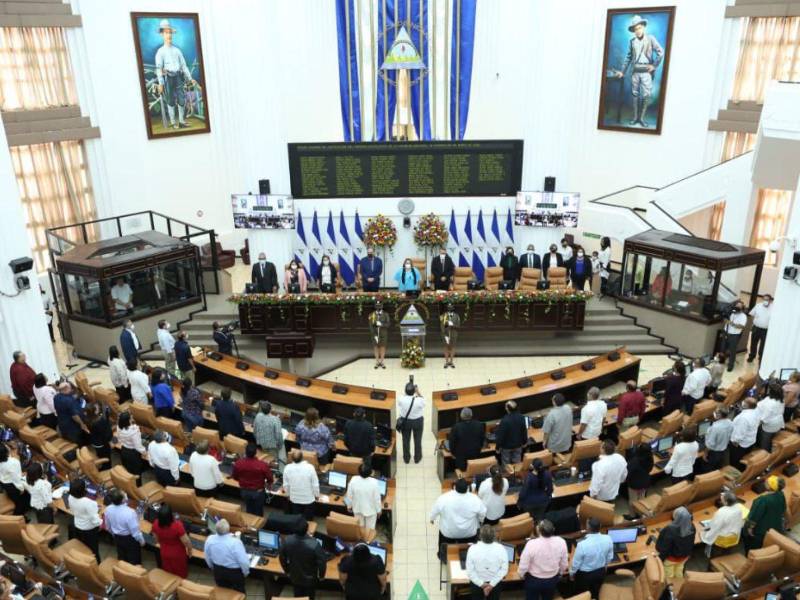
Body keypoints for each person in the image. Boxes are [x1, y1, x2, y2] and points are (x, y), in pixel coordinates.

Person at [612, 15, 664, 127]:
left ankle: (642, 119)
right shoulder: (632, 42)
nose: (638, 31)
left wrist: (654, 66)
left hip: (646, 71)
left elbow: (661, 52)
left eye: (639, 28)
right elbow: (628, 58)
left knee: (646, 94)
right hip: (635, 71)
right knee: (635, 94)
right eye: (635, 29)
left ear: (644, 27)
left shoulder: (650, 39)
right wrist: (622, 71)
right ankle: (635, 118)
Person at [429, 478, 486, 560]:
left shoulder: (444, 498)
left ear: (454, 487)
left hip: (448, 533)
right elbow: (483, 513)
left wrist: (432, 519)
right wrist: (480, 521)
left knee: (444, 540)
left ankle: (443, 556)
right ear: (467, 488)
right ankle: (466, 556)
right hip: (469, 533)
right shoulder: (475, 499)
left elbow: (435, 510)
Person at [155, 19, 196, 129]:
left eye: (170, 32)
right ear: (162, 34)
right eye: (166, 33)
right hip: (168, 78)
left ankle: (182, 121)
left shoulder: (177, 51)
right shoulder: (160, 52)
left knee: (181, 99)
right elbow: (159, 69)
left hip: (178, 77)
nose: (169, 35)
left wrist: (190, 78)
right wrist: (161, 83)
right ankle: (173, 122)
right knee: (170, 100)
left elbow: (184, 66)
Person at [518, 519, 568, 600]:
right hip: (552, 579)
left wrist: (521, 574)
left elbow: (523, 565)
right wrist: (561, 573)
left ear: (539, 531)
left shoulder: (531, 544)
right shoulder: (561, 542)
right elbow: (564, 563)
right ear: (553, 529)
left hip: (533, 580)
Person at [279, 520, 327, 599]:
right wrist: (321, 575)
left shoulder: (287, 540)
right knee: (309, 597)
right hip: (310, 579)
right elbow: (322, 562)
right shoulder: (314, 544)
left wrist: (287, 571)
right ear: (307, 529)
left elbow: (282, 557)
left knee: (297, 595)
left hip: (294, 576)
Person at [569, 517, 614, 598]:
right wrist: (605, 567)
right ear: (600, 527)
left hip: (585, 575)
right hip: (601, 572)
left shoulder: (582, 545)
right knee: (596, 592)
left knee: (583, 594)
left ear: (588, 528)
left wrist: (571, 574)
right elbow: (610, 557)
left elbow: (576, 564)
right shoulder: (608, 538)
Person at [204, 518, 249, 593]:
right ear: (228, 529)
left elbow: (207, 557)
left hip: (218, 571)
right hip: (234, 573)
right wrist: (245, 572)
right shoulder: (235, 542)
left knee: (223, 592)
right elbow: (244, 562)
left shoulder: (209, 539)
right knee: (239, 593)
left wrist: (213, 568)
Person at [465, 525, 509, 600]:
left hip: (476, 583)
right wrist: (491, 585)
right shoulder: (501, 548)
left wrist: (481, 584)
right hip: (495, 584)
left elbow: (470, 571)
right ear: (494, 536)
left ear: (480, 536)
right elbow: (504, 569)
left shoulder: (472, 549)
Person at [744, 475, 787, 551]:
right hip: (776, 527)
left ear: (770, 487)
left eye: (767, 482)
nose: (765, 482)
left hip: (761, 531)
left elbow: (754, 517)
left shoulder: (762, 500)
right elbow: (784, 509)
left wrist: (749, 528)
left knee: (752, 545)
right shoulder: (781, 494)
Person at [103, 488, 144, 565]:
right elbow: (135, 532)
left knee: (122, 557)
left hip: (117, 537)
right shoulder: (130, 512)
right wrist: (141, 541)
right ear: (123, 500)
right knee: (134, 560)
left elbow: (108, 526)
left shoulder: (108, 509)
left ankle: (123, 571)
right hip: (130, 539)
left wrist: (114, 534)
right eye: (124, 495)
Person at [152, 503, 192, 578]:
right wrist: (190, 550)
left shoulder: (155, 523)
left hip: (164, 551)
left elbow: (156, 539)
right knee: (180, 573)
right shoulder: (177, 525)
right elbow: (186, 541)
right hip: (178, 554)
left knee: (168, 573)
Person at [233, 442, 273, 516]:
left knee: (249, 508)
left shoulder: (238, 463)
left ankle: (250, 521)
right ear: (255, 453)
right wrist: (268, 483)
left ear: (245, 452)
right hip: (258, 492)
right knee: (259, 511)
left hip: (244, 491)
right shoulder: (262, 465)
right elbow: (270, 478)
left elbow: (235, 477)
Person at [655, 507, 695, 578]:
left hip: (671, 559)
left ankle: (671, 588)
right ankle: (679, 585)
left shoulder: (670, 529)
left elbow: (663, 548)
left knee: (669, 575)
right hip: (684, 557)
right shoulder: (692, 526)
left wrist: (660, 559)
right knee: (679, 571)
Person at [701, 491, 744, 556]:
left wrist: (705, 534)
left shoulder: (722, 512)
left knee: (716, 555)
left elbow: (715, 527)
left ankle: (714, 562)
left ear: (726, 502)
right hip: (734, 537)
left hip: (723, 539)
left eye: (722, 499)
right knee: (727, 551)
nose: (721, 500)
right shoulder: (738, 508)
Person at [67, 478, 101, 561]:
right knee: (93, 550)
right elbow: (96, 521)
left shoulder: (70, 497)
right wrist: (101, 520)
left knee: (82, 546)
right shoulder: (89, 502)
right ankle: (96, 564)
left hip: (77, 525)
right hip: (89, 530)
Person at [282, 449, 319, 519]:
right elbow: (315, 484)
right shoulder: (310, 467)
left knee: (296, 519)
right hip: (309, 500)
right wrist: (317, 495)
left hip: (294, 499)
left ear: (292, 458)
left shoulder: (287, 468)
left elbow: (286, 485)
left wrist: (288, 495)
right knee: (308, 520)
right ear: (302, 458)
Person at [344, 463, 382, 530]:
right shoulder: (375, 482)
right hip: (371, 511)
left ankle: (361, 539)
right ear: (370, 472)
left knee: (359, 528)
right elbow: (377, 499)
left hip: (357, 509)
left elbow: (348, 495)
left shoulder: (353, 479)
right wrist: (379, 510)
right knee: (369, 530)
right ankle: (367, 540)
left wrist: (348, 506)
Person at [398, 380, 425, 464]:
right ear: (414, 391)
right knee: (418, 440)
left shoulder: (401, 399)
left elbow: (401, 401)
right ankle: (417, 458)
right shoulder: (419, 400)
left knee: (405, 440)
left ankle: (406, 458)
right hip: (417, 422)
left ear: (405, 391)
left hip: (405, 422)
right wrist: (418, 392)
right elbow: (424, 402)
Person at [730, 397, 760, 470]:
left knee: (735, 462)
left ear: (746, 405)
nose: (742, 402)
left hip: (740, 445)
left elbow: (739, 434)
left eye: (745, 401)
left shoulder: (743, 418)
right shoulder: (756, 411)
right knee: (744, 459)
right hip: (750, 441)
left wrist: (734, 443)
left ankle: (735, 475)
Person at [495, 400, 528, 465]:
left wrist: (497, 447)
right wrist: (525, 442)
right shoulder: (521, 417)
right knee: (517, 463)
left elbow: (501, 436)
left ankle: (508, 474)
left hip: (506, 447)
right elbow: (524, 431)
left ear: (507, 408)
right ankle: (517, 474)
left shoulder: (505, 420)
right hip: (518, 445)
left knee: (507, 465)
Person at [116, 411, 146, 478]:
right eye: (131, 418)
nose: (132, 418)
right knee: (136, 474)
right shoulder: (134, 431)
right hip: (133, 454)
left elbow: (119, 439)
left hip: (124, 451)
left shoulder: (119, 426)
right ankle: (137, 487)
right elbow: (138, 446)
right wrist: (144, 452)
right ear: (128, 420)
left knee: (128, 472)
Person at [0, 445, 28, 516]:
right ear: (6, 452)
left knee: (15, 499)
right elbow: (17, 480)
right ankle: (20, 517)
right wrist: (21, 489)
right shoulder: (14, 462)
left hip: (4, 484)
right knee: (20, 502)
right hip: (14, 486)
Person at [756, 382, 785, 451]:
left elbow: (764, 419)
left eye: (769, 389)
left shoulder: (770, 404)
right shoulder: (781, 399)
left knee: (765, 442)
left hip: (770, 426)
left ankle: (765, 454)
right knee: (770, 438)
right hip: (778, 422)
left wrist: (755, 425)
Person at [702, 408, 732, 472]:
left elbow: (710, 444)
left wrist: (705, 453)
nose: (714, 414)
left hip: (714, 452)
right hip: (724, 450)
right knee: (717, 467)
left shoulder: (715, 428)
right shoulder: (730, 422)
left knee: (708, 468)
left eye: (716, 413)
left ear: (720, 415)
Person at [723, 301, 748, 371]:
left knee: (732, 350)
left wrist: (731, 323)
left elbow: (741, 326)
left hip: (734, 335)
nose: (738, 307)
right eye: (737, 305)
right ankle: (721, 361)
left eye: (740, 306)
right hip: (726, 332)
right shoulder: (731, 312)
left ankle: (730, 365)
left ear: (742, 308)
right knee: (723, 348)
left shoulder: (743, 316)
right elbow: (725, 319)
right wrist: (725, 320)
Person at [87, 403, 113, 470]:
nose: (99, 408)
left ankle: (104, 466)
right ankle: (107, 470)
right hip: (102, 443)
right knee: (107, 459)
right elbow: (106, 434)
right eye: (97, 408)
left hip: (95, 442)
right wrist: (111, 441)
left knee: (100, 455)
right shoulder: (100, 422)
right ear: (95, 411)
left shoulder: (88, 418)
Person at [748, 294, 772, 363]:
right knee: (753, 343)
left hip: (766, 330)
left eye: (767, 300)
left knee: (763, 345)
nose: (765, 301)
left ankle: (761, 358)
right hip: (756, 328)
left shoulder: (773, 308)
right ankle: (751, 356)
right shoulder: (758, 305)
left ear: (770, 301)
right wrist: (754, 322)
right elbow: (752, 314)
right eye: (764, 299)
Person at [368, 301, 390, 369]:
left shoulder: (386, 314)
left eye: (380, 305)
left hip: (383, 334)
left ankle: (382, 361)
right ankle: (377, 362)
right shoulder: (372, 314)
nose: (378, 307)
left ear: (382, 306)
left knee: (382, 347)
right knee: (376, 348)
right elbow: (370, 325)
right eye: (377, 305)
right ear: (375, 306)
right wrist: (373, 333)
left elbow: (388, 324)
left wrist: (382, 324)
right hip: (375, 334)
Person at [440, 303, 461, 368]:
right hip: (445, 334)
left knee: (453, 347)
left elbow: (458, 326)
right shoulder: (444, 315)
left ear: (453, 308)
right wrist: (444, 331)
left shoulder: (457, 316)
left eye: (451, 307)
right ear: (447, 308)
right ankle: (446, 362)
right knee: (446, 347)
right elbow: (441, 325)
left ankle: (451, 361)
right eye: (448, 307)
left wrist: (452, 325)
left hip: (454, 334)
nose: (450, 308)